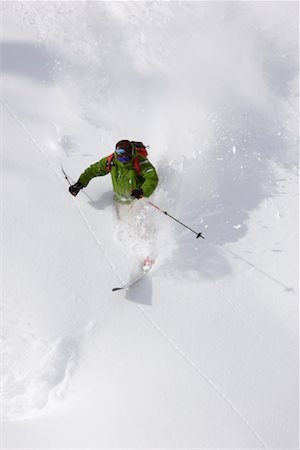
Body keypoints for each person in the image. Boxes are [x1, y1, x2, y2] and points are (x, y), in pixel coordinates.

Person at [69, 140, 159, 203]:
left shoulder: (140, 161)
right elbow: (93, 170)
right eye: (120, 157)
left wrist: (142, 191)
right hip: (119, 200)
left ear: (132, 155)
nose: (122, 161)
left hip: (138, 199)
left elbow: (152, 178)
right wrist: (80, 183)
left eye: (126, 158)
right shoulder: (111, 161)